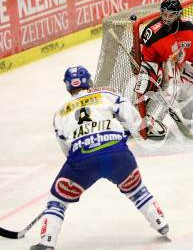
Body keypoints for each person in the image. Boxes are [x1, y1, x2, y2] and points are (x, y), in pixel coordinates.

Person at [30, 66, 169, 250]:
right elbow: (132, 117)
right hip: (117, 154)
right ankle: (160, 222)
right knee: (137, 190)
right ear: (89, 81)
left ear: (67, 86)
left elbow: (65, 146)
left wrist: (77, 165)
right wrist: (125, 132)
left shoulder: (60, 111)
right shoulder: (106, 94)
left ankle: (47, 241)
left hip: (83, 159)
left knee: (57, 199)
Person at [134, 0, 193, 140]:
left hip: (178, 66)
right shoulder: (152, 33)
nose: (166, 18)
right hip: (160, 68)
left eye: (171, 14)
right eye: (164, 13)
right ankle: (151, 117)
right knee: (172, 84)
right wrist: (150, 76)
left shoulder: (190, 29)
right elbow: (147, 59)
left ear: (179, 14)